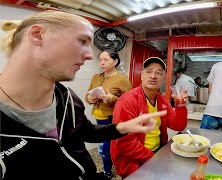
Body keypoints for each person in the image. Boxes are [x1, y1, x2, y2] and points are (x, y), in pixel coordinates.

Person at [0, 11, 166, 180]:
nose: (90, 55)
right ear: (38, 36)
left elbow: (85, 131)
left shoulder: (66, 96)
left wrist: (123, 127)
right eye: (82, 41)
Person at [111, 57, 188, 178]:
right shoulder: (128, 100)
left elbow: (178, 126)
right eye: (149, 71)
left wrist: (180, 105)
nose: (153, 76)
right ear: (142, 75)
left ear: (163, 79)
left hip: (157, 152)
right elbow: (125, 143)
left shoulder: (162, 100)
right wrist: (153, 159)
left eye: (158, 73)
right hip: (134, 161)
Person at [85, 49, 131, 178]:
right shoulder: (96, 77)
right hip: (99, 115)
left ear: (115, 61)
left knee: (106, 147)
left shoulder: (122, 79)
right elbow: (87, 95)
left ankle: (107, 172)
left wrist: (112, 99)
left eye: (106, 59)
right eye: (100, 60)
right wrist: (89, 99)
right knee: (106, 144)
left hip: (113, 117)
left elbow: (128, 101)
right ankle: (109, 169)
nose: (102, 62)